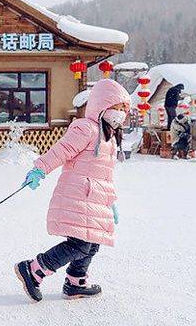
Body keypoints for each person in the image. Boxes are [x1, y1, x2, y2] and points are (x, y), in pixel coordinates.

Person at [14, 79, 130, 301]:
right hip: (78, 194)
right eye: (117, 107)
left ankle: (76, 282)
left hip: (95, 198)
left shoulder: (109, 137)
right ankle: (33, 269)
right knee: (79, 244)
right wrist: (39, 169)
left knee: (93, 242)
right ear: (103, 105)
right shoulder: (86, 128)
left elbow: (104, 174)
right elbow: (61, 151)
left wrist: (110, 201)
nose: (120, 114)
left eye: (124, 110)